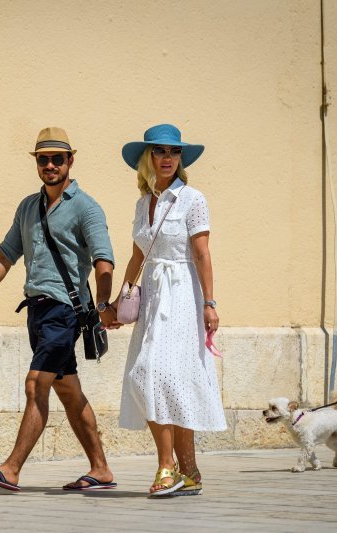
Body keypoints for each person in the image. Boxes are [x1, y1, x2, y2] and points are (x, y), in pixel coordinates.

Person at [0, 127, 118, 492]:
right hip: (37, 311)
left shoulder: (86, 207)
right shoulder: (29, 206)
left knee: (35, 384)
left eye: (57, 159)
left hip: (65, 311)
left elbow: (104, 260)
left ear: (70, 161)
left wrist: (105, 305)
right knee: (68, 390)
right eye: (43, 159)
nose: (50, 165)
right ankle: (101, 468)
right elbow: (4, 256)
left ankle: (11, 469)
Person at [113, 124, 226, 497]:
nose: (167, 158)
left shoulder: (193, 199)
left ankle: (167, 467)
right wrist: (121, 299)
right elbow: (137, 255)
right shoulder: (141, 203)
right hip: (153, 297)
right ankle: (189, 469)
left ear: (181, 159)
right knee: (159, 377)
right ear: (148, 158)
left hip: (182, 295)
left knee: (156, 373)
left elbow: (202, 253)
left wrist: (210, 303)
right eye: (159, 151)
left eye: (174, 152)